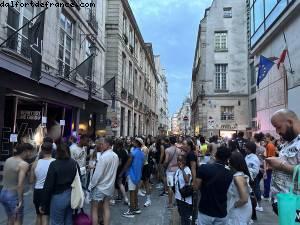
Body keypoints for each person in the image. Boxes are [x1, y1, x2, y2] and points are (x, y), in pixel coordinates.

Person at [266, 109, 300, 215]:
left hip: (295, 206)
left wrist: (281, 165)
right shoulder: (289, 141)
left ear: (289, 122)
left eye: (278, 127)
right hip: (283, 202)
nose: (277, 132)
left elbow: (285, 166)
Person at [194, 146, 233, 225]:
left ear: (215, 155)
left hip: (205, 209)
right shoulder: (230, 174)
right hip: (221, 211)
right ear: (228, 159)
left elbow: (195, 187)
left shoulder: (204, 168)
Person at [40, 143, 78, 225]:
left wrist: (43, 204)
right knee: (68, 220)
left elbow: (48, 186)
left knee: (56, 222)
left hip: (58, 196)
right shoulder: (74, 163)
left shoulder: (54, 164)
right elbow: (79, 180)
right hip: (71, 195)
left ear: (57, 152)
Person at [0, 143, 34, 225]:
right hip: (13, 195)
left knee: (10, 219)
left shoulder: (8, 160)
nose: (31, 154)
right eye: (30, 151)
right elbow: (20, 184)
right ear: (25, 151)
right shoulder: (23, 164)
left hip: (3, 193)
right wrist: (20, 200)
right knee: (17, 221)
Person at [89, 137, 119, 225]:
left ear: (108, 144)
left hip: (100, 187)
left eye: (102, 144)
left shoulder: (104, 157)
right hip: (109, 186)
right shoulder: (115, 156)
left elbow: (97, 175)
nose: (101, 145)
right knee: (106, 208)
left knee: (94, 209)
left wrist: (91, 185)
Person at [30, 142, 55, 225]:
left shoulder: (35, 163)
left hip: (37, 191)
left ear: (42, 150)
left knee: (38, 215)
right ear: (52, 150)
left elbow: (31, 180)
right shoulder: (55, 162)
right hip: (49, 191)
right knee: (46, 216)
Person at [121, 138, 145, 218]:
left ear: (137, 143)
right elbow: (142, 166)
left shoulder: (133, 153)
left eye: (134, 142)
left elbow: (127, 165)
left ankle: (131, 210)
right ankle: (136, 208)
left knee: (131, 193)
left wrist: (121, 174)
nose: (132, 142)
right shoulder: (142, 153)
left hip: (132, 175)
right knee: (135, 192)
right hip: (138, 175)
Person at [227, 152, 252, 225]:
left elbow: (244, 199)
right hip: (241, 208)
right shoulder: (240, 174)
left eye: (229, 161)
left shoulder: (238, 177)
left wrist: (234, 206)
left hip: (239, 209)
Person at [174, 155, 192, 225]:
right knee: (181, 214)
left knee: (185, 216)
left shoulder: (187, 169)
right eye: (178, 160)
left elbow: (187, 181)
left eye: (181, 160)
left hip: (184, 198)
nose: (179, 162)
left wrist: (182, 170)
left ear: (185, 161)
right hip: (178, 196)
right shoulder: (178, 170)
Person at [164, 136, 181, 208]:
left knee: (170, 187)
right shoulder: (178, 150)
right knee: (177, 186)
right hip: (177, 169)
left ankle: (170, 203)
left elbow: (166, 160)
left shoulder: (167, 150)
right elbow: (180, 160)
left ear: (169, 141)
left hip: (170, 170)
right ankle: (177, 202)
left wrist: (164, 165)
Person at [113, 139, 129, 205]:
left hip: (119, 169)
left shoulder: (118, 152)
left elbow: (119, 163)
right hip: (123, 169)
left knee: (119, 183)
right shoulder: (124, 151)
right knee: (119, 183)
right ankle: (119, 196)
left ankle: (125, 198)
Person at [253, 133, 266, 212]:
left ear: (255, 138)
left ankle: (259, 204)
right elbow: (265, 159)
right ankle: (258, 201)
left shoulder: (253, 147)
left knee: (256, 186)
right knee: (257, 185)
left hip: (255, 168)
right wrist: (264, 170)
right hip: (261, 167)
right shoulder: (263, 148)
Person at [262, 133, 277, 200]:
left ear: (268, 137)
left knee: (267, 181)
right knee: (267, 180)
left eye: (265, 138)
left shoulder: (270, 145)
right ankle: (266, 194)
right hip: (269, 165)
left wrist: (266, 168)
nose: (264, 140)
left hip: (269, 166)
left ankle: (266, 195)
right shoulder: (269, 145)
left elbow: (269, 158)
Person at [140, 138, 152, 207]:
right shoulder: (141, 148)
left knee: (146, 183)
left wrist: (140, 169)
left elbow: (143, 160)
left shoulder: (144, 148)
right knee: (144, 183)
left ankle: (148, 200)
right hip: (142, 167)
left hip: (145, 167)